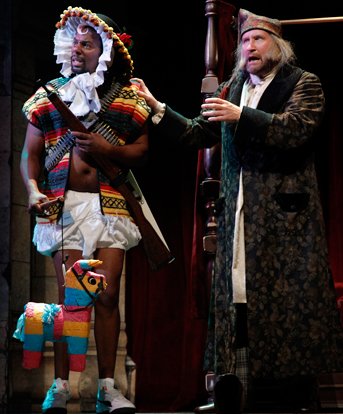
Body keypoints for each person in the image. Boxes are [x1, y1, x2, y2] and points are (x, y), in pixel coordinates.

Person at [133, 8, 343, 412]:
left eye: (258, 40)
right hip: (239, 215)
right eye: (245, 41)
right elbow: (199, 132)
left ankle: (291, 398)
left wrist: (242, 115)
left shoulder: (303, 83)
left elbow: (295, 129)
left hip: (284, 222)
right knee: (240, 300)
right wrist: (156, 107)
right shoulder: (232, 87)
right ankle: (239, 391)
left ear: (278, 47)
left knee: (284, 305)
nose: (249, 47)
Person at [20, 6, 150, 414]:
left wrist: (108, 149)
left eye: (87, 43)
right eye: (75, 42)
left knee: (107, 296)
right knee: (71, 299)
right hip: (65, 208)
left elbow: (142, 150)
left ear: (105, 50)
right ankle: (60, 385)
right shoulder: (48, 97)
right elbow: (30, 152)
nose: (78, 49)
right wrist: (31, 188)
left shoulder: (127, 97)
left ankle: (108, 388)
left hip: (110, 206)